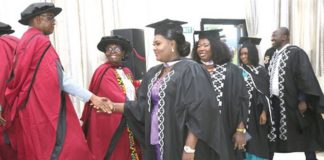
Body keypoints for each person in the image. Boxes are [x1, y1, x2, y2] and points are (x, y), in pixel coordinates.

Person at [97, 19, 226, 160]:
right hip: (155, 142)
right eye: (153, 44)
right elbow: (142, 107)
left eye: (158, 43)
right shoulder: (153, 72)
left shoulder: (191, 70)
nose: (154, 48)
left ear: (172, 44)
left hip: (180, 142)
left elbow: (201, 111)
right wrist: (113, 106)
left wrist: (189, 148)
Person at [4, 2, 110, 160]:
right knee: (66, 149)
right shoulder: (40, 42)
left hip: (28, 110)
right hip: (45, 110)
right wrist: (92, 97)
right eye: (50, 18)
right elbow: (59, 79)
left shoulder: (25, 41)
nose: (54, 22)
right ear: (38, 20)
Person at [81, 35, 142, 160]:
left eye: (116, 48)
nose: (112, 51)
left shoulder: (126, 71)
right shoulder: (103, 71)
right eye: (109, 49)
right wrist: (137, 108)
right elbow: (116, 96)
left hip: (127, 115)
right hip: (111, 121)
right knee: (116, 153)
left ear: (123, 52)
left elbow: (133, 89)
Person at [192, 29, 249, 160]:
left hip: (226, 129)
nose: (201, 49)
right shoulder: (193, 70)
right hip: (200, 131)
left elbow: (242, 101)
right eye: (199, 46)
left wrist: (240, 130)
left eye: (206, 45)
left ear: (216, 47)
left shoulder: (232, 71)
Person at [268, 27, 324, 160]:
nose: (272, 38)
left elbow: (305, 77)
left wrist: (302, 99)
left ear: (285, 37)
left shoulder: (296, 53)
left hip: (293, 101)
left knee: (304, 134)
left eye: (275, 35)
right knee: (273, 134)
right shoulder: (274, 55)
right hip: (277, 102)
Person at [238, 37, 272, 160]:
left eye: (246, 53)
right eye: (241, 54)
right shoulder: (237, 71)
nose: (243, 56)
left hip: (257, 113)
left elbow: (266, 93)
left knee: (258, 141)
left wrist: (264, 111)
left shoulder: (261, 71)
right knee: (245, 141)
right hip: (242, 112)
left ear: (252, 54)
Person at [0, 21, 19, 160]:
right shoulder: (18, 43)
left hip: (4, 106)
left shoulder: (1, 45)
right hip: (21, 103)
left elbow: (1, 77)